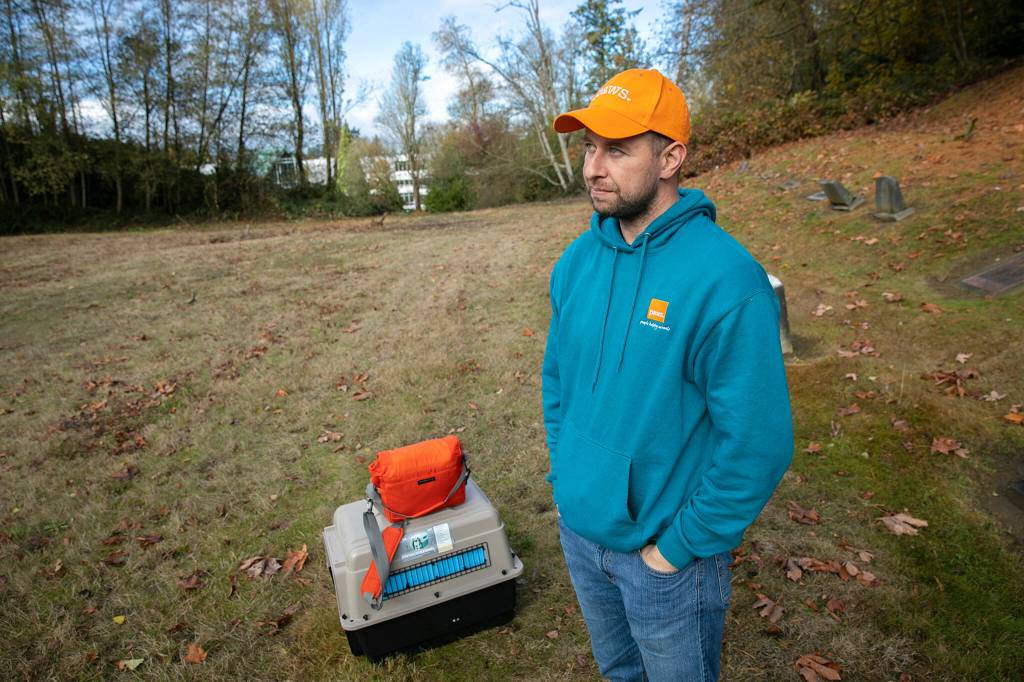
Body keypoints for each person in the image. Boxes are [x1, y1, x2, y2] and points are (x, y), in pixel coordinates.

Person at [541, 68, 794, 681]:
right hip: (580, 532)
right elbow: (557, 385)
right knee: (619, 672)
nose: (594, 167)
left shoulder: (725, 280)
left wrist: (675, 550)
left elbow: (758, 443)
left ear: (670, 157)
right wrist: (569, 475)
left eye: (618, 150)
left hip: (665, 560)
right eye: (589, 147)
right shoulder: (576, 261)